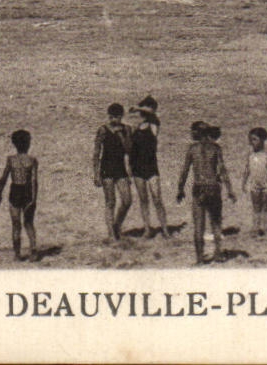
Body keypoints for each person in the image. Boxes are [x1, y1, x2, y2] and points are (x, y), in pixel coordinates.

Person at [175, 122, 236, 264]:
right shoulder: (215, 148)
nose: (190, 134)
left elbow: (184, 171)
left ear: (197, 133)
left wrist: (180, 189)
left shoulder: (192, 149)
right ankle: (218, 254)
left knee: (198, 225)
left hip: (199, 187)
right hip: (213, 187)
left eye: (192, 131)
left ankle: (199, 259)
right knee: (216, 223)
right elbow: (222, 170)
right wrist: (230, 190)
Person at [0, 129, 39, 261]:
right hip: (27, 192)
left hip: (15, 191)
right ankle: (33, 251)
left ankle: (17, 254)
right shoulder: (32, 160)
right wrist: (34, 198)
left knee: (16, 224)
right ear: (28, 143)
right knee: (29, 223)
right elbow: (34, 181)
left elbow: (3, 178)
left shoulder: (11, 160)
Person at [128, 99, 169, 239]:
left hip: (151, 166)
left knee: (157, 199)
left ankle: (164, 229)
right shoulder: (136, 128)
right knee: (144, 199)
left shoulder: (154, 125)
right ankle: (147, 229)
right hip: (138, 167)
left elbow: (153, 113)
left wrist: (138, 107)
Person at [93, 103, 133, 241]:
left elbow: (129, 150)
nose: (114, 120)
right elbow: (96, 153)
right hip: (107, 168)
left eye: (117, 117)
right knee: (110, 202)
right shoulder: (103, 130)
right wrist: (96, 173)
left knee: (127, 200)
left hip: (120, 168)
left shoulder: (127, 129)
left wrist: (122, 136)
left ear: (121, 117)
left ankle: (116, 225)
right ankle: (111, 234)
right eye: (112, 117)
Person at [244, 128, 267, 237]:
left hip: (266, 183)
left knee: (266, 206)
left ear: (262, 140)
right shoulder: (250, 154)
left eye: (255, 139)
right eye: (250, 139)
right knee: (256, 206)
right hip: (254, 183)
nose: (252, 142)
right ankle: (256, 228)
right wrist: (244, 182)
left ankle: (265, 228)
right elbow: (247, 169)